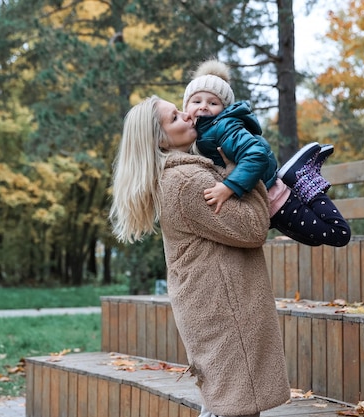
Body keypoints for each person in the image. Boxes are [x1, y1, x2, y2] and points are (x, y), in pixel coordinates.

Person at [109, 96, 291, 417]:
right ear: (160, 138)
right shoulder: (187, 181)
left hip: (213, 305)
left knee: (226, 404)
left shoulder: (182, 174)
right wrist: (241, 171)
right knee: (236, 406)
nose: (189, 116)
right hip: (225, 310)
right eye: (176, 117)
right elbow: (252, 228)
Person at [183, 59, 351, 247]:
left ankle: (303, 179)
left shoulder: (224, 127)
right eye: (196, 101)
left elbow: (256, 155)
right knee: (312, 240)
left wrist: (229, 186)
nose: (204, 106)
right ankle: (299, 180)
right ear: (186, 106)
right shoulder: (200, 134)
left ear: (224, 109)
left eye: (212, 102)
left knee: (338, 233)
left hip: (275, 198)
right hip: (266, 206)